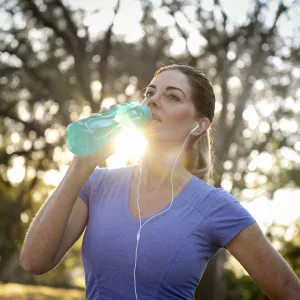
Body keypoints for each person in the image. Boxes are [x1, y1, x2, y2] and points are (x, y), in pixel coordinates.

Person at [20, 64, 300, 299]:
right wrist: (81, 165)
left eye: (173, 97)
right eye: (150, 93)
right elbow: (34, 262)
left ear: (199, 125)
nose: (152, 101)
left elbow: (288, 289)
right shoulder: (97, 183)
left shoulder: (214, 206)